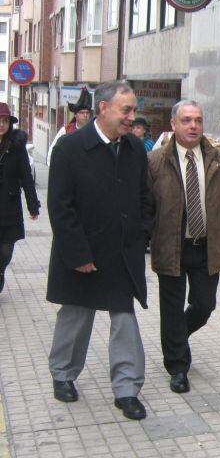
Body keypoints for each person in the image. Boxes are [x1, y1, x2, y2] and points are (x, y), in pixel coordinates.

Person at [47, 81, 151, 421]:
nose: (132, 117)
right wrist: (78, 254)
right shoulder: (70, 147)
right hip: (83, 253)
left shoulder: (134, 148)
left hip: (122, 252)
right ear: (103, 108)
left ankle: (126, 389)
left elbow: (144, 197)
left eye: (134, 110)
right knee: (76, 317)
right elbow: (60, 208)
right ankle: (63, 374)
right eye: (126, 110)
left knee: (124, 319)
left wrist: (141, 234)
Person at [147, 100, 220, 394]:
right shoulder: (155, 161)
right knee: (172, 308)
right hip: (171, 246)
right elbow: (144, 205)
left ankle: (177, 337)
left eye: (198, 120)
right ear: (173, 124)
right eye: (187, 120)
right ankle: (177, 367)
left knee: (204, 305)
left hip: (207, 245)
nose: (193, 126)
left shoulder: (218, 158)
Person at [0, 102, 40, 294]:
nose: (1, 124)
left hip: (9, 207)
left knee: (6, 250)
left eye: (5, 121)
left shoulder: (16, 148)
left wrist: (33, 206)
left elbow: (26, 177)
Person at [47, 86, 92, 165]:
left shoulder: (93, 131)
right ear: (75, 115)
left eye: (87, 113)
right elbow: (53, 151)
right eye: (82, 113)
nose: (85, 115)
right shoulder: (65, 130)